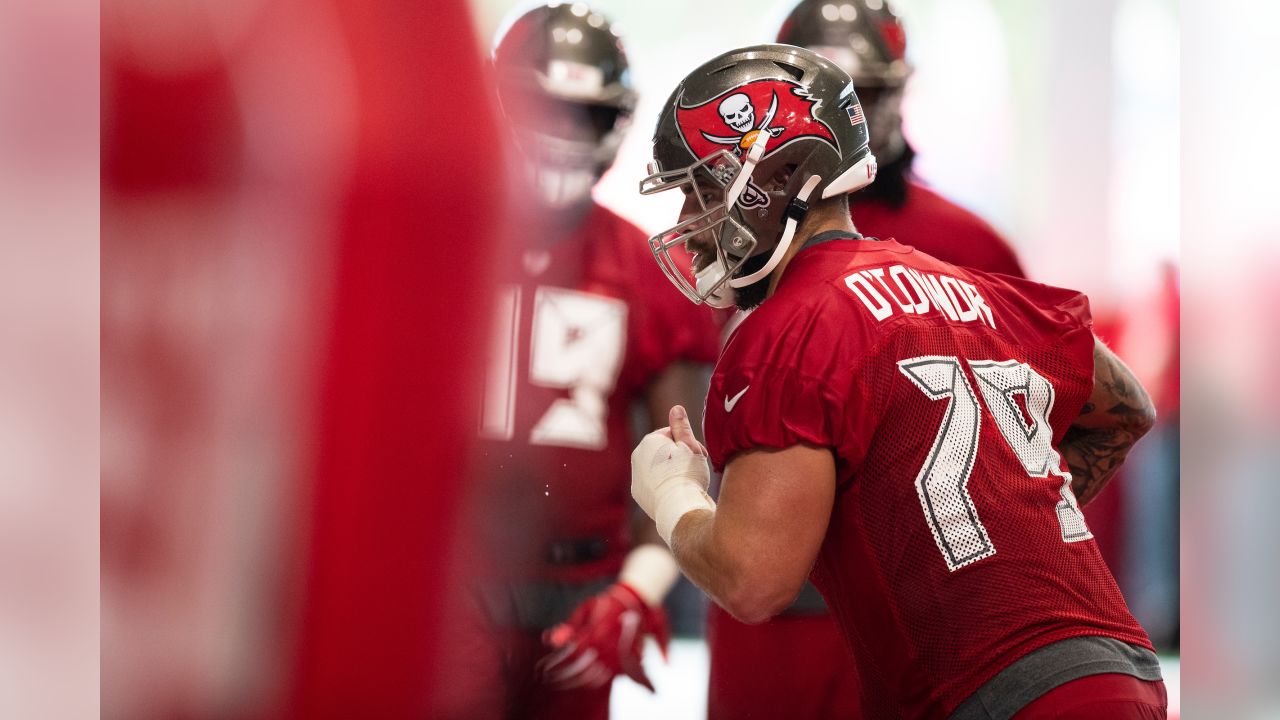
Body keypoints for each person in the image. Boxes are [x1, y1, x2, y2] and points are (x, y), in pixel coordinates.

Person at [631, 44, 1166, 719]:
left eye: (702, 189)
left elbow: (752, 579)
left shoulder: (791, 325)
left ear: (786, 172)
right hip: (1118, 671)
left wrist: (672, 494)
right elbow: (1125, 409)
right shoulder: (970, 286)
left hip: (999, 690)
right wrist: (997, 525)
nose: (688, 223)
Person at [705, 2, 1027, 717]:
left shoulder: (974, 248)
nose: (843, 116)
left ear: (896, 92)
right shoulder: (731, 233)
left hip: (921, 613)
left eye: (863, 93)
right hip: (770, 606)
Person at [433, 5, 720, 719]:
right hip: (445, 575)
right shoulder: (436, 237)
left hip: (583, 581)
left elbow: (682, 462)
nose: (561, 136)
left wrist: (638, 591)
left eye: (583, 116)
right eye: (544, 108)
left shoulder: (649, 268)